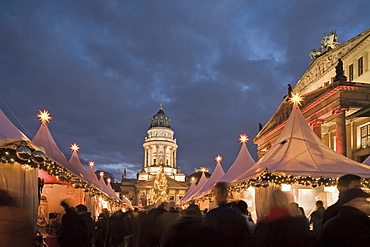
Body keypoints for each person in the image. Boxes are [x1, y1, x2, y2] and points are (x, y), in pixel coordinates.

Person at [203, 182, 251, 247]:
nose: (215, 196)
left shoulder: (211, 216)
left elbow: (205, 238)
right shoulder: (238, 215)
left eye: (216, 193)